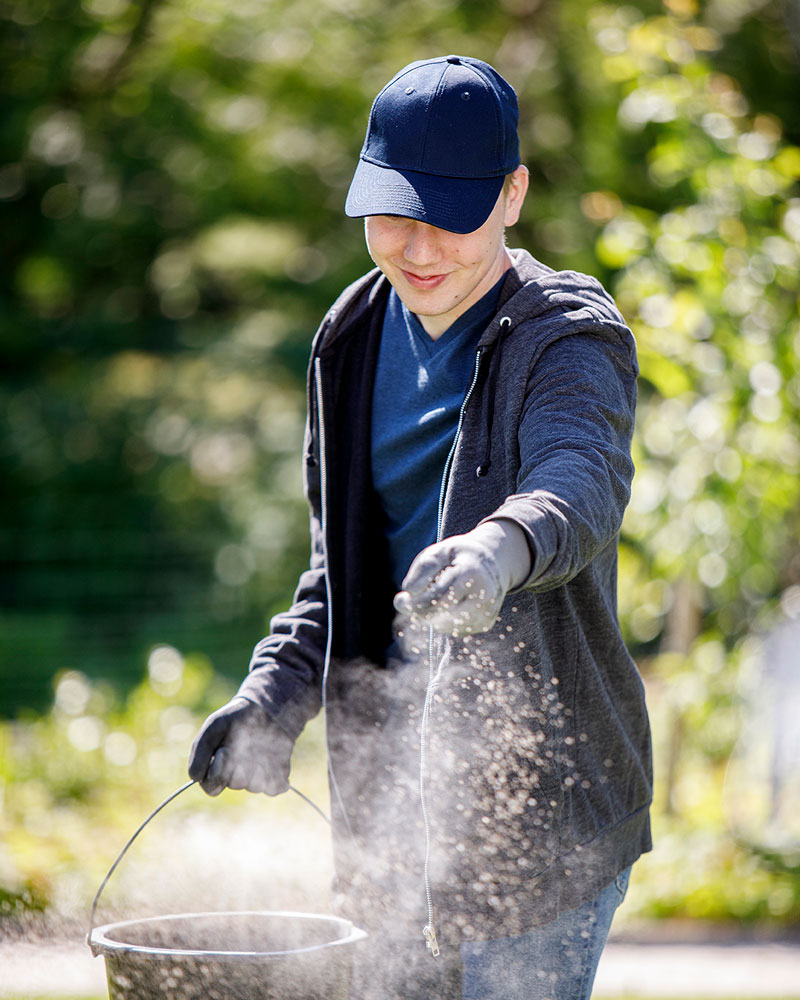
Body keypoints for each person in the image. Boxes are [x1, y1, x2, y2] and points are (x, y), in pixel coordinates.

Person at [188, 54, 652, 1000]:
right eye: (394, 211)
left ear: (514, 194)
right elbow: (340, 571)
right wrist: (271, 700)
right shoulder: (350, 336)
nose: (420, 246)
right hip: (390, 824)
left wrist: (496, 549)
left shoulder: (566, 334)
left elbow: (581, 484)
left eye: (454, 211)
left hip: (544, 824)